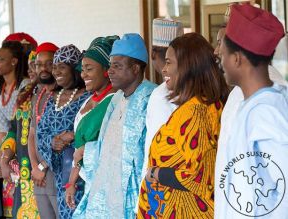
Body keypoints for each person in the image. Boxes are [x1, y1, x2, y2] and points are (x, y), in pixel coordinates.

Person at [137, 33, 229, 218]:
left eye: (169, 62)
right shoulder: (197, 106)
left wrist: (155, 173)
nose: (163, 69)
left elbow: (202, 176)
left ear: (188, 66)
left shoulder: (197, 112)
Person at [215, 4, 288, 218]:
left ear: (237, 59)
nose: (219, 56)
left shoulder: (267, 111)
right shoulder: (251, 102)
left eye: (224, 51)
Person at [76, 33, 156, 218]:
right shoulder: (116, 99)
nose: (110, 71)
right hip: (109, 192)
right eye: (110, 65)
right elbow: (105, 147)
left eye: (117, 66)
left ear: (135, 68)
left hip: (135, 195)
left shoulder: (151, 97)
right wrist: (86, 150)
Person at [65, 36, 119, 211]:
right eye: (82, 69)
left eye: (89, 69)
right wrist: (71, 182)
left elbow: (91, 146)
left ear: (106, 70)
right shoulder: (88, 100)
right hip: (86, 180)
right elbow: (79, 150)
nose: (83, 74)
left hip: (104, 184)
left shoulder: (114, 100)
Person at [36, 44, 90, 218]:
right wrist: (52, 142)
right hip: (59, 174)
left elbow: (91, 132)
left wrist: (71, 139)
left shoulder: (87, 97)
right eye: (54, 67)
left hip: (81, 171)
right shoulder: (53, 98)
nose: (56, 72)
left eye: (62, 67)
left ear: (74, 70)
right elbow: (40, 133)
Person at [0, 46, 44, 218]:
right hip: (24, 173)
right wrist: (4, 160)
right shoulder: (25, 95)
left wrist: (40, 167)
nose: (32, 70)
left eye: (36, 66)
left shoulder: (54, 96)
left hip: (43, 172)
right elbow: (12, 131)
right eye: (31, 66)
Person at [142, 17, 183, 180]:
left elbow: (157, 149)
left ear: (152, 53)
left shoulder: (162, 93)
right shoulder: (192, 89)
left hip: (160, 181)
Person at [0, 40, 29, 218]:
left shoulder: (25, 86)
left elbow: (20, 126)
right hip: (9, 145)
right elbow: (3, 126)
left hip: (23, 144)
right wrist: (1, 158)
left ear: (14, 61)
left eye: (1, 59)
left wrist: (8, 158)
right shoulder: (1, 88)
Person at [27, 42, 60, 218]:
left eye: (49, 63)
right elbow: (32, 135)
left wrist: (41, 166)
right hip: (38, 175)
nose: (43, 68)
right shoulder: (38, 96)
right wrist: (34, 167)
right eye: (39, 64)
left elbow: (62, 139)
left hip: (55, 172)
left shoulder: (65, 95)